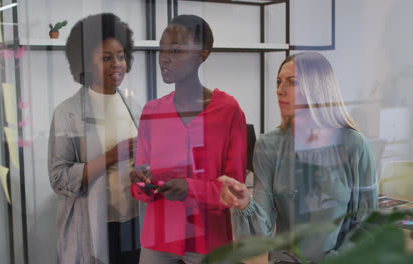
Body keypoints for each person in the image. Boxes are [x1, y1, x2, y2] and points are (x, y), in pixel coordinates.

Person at [219, 52, 378, 263]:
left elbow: (367, 226)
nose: (279, 90)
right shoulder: (268, 146)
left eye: (291, 83)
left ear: (317, 90)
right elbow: (262, 235)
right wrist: (245, 204)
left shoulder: (355, 146)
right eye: (278, 82)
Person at [129, 15, 247, 264]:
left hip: (210, 243)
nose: (164, 57)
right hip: (159, 240)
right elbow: (140, 185)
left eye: (175, 49)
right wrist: (140, 182)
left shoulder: (228, 111)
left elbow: (235, 190)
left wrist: (189, 189)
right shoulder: (151, 112)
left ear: (201, 55)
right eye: (161, 49)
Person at [48, 13, 141, 264]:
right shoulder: (67, 112)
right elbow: (58, 179)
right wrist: (111, 156)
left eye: (120, 56)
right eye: (106, 58)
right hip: (93, 228)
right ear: (87, 64)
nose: (117, 64)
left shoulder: (132, 106)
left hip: (132, 223)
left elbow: (140, 159)